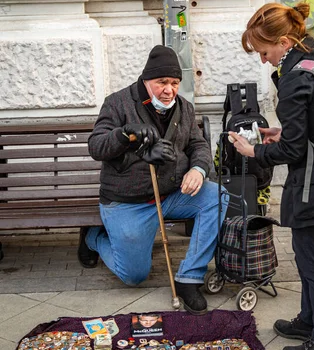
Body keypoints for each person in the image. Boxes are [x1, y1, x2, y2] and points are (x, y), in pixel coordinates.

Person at [229, 1, 314, 350]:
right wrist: (281, 131)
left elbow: (294, 148)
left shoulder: (297, 76)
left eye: (264, 52)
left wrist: (254, 151)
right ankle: (310, 321)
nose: (264, 60)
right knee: (307, 255)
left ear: (285, 42)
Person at [78, 45, 228, 315]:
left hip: (171, 193)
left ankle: (189, 277)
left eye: (174, 83)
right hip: (128, 202)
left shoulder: (184, 108)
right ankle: (93, 238)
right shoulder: (118, 103)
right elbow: (96, 147)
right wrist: (126, 135)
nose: (169, 90)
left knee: (217, 196)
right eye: (161, 83)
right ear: (146, 80)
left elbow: (198, 145)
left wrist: (198, 170)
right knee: (133, 276)